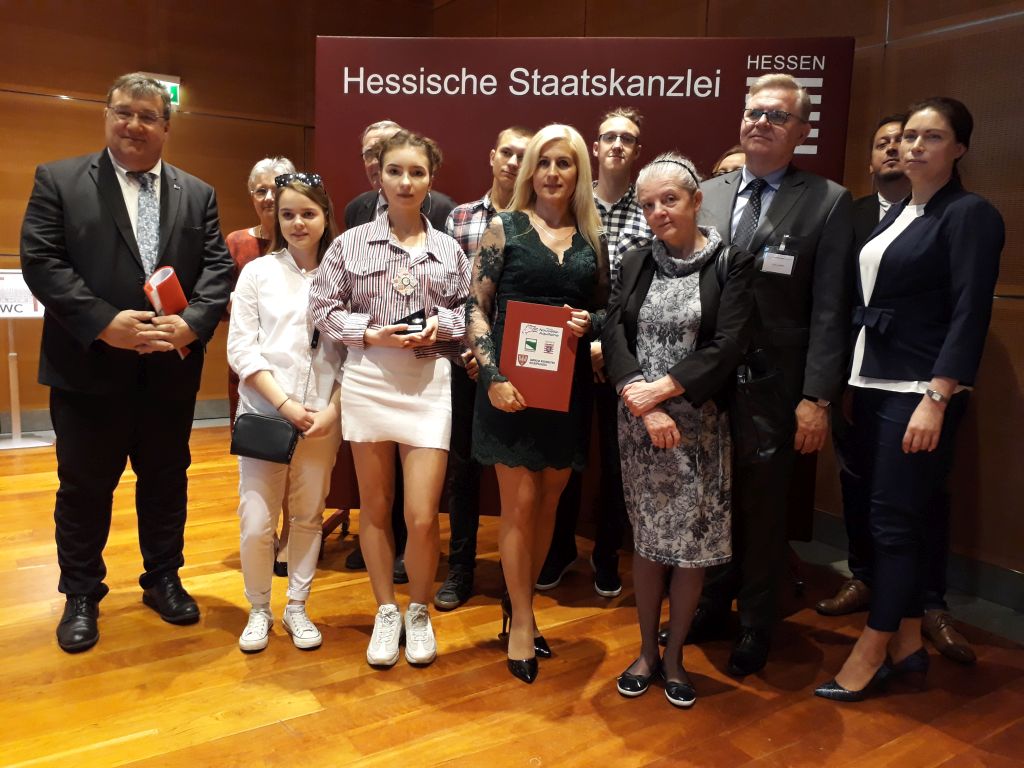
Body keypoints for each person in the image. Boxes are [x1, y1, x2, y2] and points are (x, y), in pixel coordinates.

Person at [19, 72, 233, 653]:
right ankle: (81, 593)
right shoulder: (59, 180)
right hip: (87, 370)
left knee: (166, 480)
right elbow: (42, 261)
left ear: (166, 126)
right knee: (84, 488)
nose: (133, 124)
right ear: (107, 115)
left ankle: (163, 578)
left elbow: (217, 268)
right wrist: (103, 322)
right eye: (123, 112)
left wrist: (192, 323)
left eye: (147, 116)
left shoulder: (198, 193)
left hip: (168, 372)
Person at [814, 98, 1003, 702]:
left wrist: (937, 395)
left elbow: (970, 313)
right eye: (910, 136)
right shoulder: (898, 213)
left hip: (918, 390)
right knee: (887, 519)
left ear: (960, 148)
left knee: (894, 524)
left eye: (933, 137)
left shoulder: (970, 214)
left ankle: (872, 648)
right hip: (871, 383)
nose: (914, 146)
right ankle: (909, 642)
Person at [690, 73, 854, 676]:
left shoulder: (827, 200)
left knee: (763, 508)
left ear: (802, 131)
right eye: (754, 111)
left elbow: (831, 308)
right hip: (705, 380)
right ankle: (711, 603)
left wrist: (817, 398)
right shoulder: (706, 193)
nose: (761, 122)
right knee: (710, 498)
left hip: (776, 386)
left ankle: (757, 622)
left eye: (777, 115)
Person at [310, 130, 471, 668]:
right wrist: (369, 332)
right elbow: (322, 308)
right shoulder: (350, 244)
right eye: (395, 171)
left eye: (417, 172)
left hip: (428, 383)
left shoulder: (448, 249)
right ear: (378, 175)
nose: (406, 181)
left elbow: (468, 312)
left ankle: (418, 611)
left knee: (422, 516)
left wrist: (441, 327)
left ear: (431, 179)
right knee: (376, 509)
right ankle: (385, 610)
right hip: (369, 381)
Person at [603, 152, 755, 708]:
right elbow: (614, 331)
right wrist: (641, 400)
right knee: (648, 542)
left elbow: (729, 344)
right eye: (648, 204)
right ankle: (647, 651)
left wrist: (663, 391)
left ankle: (674, 659)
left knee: (689, 547)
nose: (658, 212)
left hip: (700, 425)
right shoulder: (636, 260)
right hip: (640, 424)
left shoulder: (732, 262)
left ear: (696, 200)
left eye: (670, 199)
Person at [467, 124, 609, 684]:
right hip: (510, 389)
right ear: (530, 169)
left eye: (564, 163)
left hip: (565, 390)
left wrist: (591, 322)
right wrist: (493, 377)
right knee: (519, 505)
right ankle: (523, 621)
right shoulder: (504, 228)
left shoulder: (592, 237)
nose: (552, 172)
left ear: (579, 172)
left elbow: (606, 308)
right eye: (543, 161)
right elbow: (476, 308)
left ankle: (519, 604)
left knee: (549, 502)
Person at [537, 107, 652, 599]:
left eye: (627, 138)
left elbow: (648, 288)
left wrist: (608, 343)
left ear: (637, 150)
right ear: (595, 146)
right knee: (564, 454)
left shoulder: (648, 206)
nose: (617, 145)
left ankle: (607, 555)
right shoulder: (573, 203)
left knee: (616, 462)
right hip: (566, 349)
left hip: (625, 355)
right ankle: (560, 548)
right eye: (609, 137)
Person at [228, 173, 344, 652]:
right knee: (257, 521)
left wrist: (332, 412)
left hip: (322, 420)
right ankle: (259, 608)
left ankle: (297, 606)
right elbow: (242, 349)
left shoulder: (344, 274)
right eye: (288, 214)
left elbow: (354, 354)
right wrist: (285, 405)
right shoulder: (258, 273)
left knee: (308, 517)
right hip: (265, 414)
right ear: (276, 218)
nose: (298, 223)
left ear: (325, 218)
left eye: (308, 213)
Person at [434, 125, 534, 611]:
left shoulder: (539, 221)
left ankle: (520, 578)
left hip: (521, 369)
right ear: (492, 157)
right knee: (463, 472)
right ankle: (461, 568)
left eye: (523, 155)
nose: (513, 162)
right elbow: (449, 292)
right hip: (466, 363)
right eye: (507, 153)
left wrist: (499, 359)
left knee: (522, 472)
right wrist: (473, 351)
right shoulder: (459, 218)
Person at [225, 156, 297, 578]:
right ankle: (262, 534)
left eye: (277, 188)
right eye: (260, 190)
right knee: (259, 455)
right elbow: (217, 302)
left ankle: (289, 534)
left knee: (295, 460)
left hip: (296, 371)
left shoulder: (305, 240)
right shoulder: (237, 242)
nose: (269, 197)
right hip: (250, 371)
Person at [344, 119, 456, 231]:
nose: (378, 161)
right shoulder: (355, 209)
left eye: (386, 151)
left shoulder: (445, 211)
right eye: (370, 153)